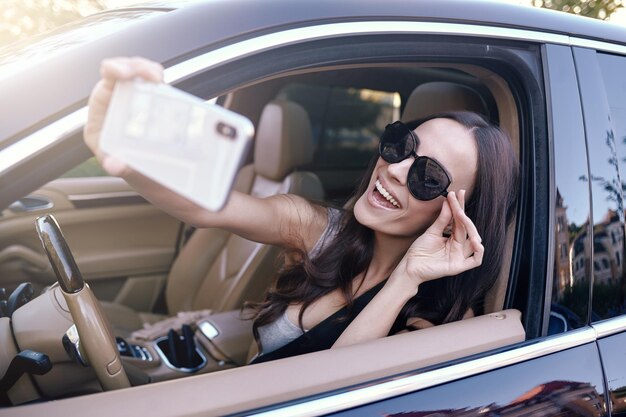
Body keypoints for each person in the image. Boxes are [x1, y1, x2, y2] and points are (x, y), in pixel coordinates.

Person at [84, 57, 519, 364]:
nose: (394, 170)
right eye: (401, 145)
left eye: (428, 176)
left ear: (458, 216)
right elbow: (209, 208)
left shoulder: (441, 322)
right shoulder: (319, 231)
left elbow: (344, 385)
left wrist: (406, 278)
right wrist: (117, 146)